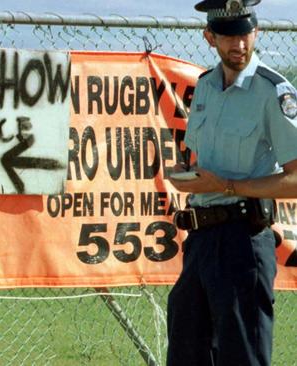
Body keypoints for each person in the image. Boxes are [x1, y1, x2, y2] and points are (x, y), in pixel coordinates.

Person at [166, 0, 297, 365]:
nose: (238, 45)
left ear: (256, 33)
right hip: (200, 241)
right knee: (185, 351)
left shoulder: (273, 91)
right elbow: (198, 160)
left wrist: (227, 186)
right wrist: (185, 177)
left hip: (243, 241)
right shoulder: (205, 87)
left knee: (242, 357)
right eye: (227, 36)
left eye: (244, 35)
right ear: (210, 38)